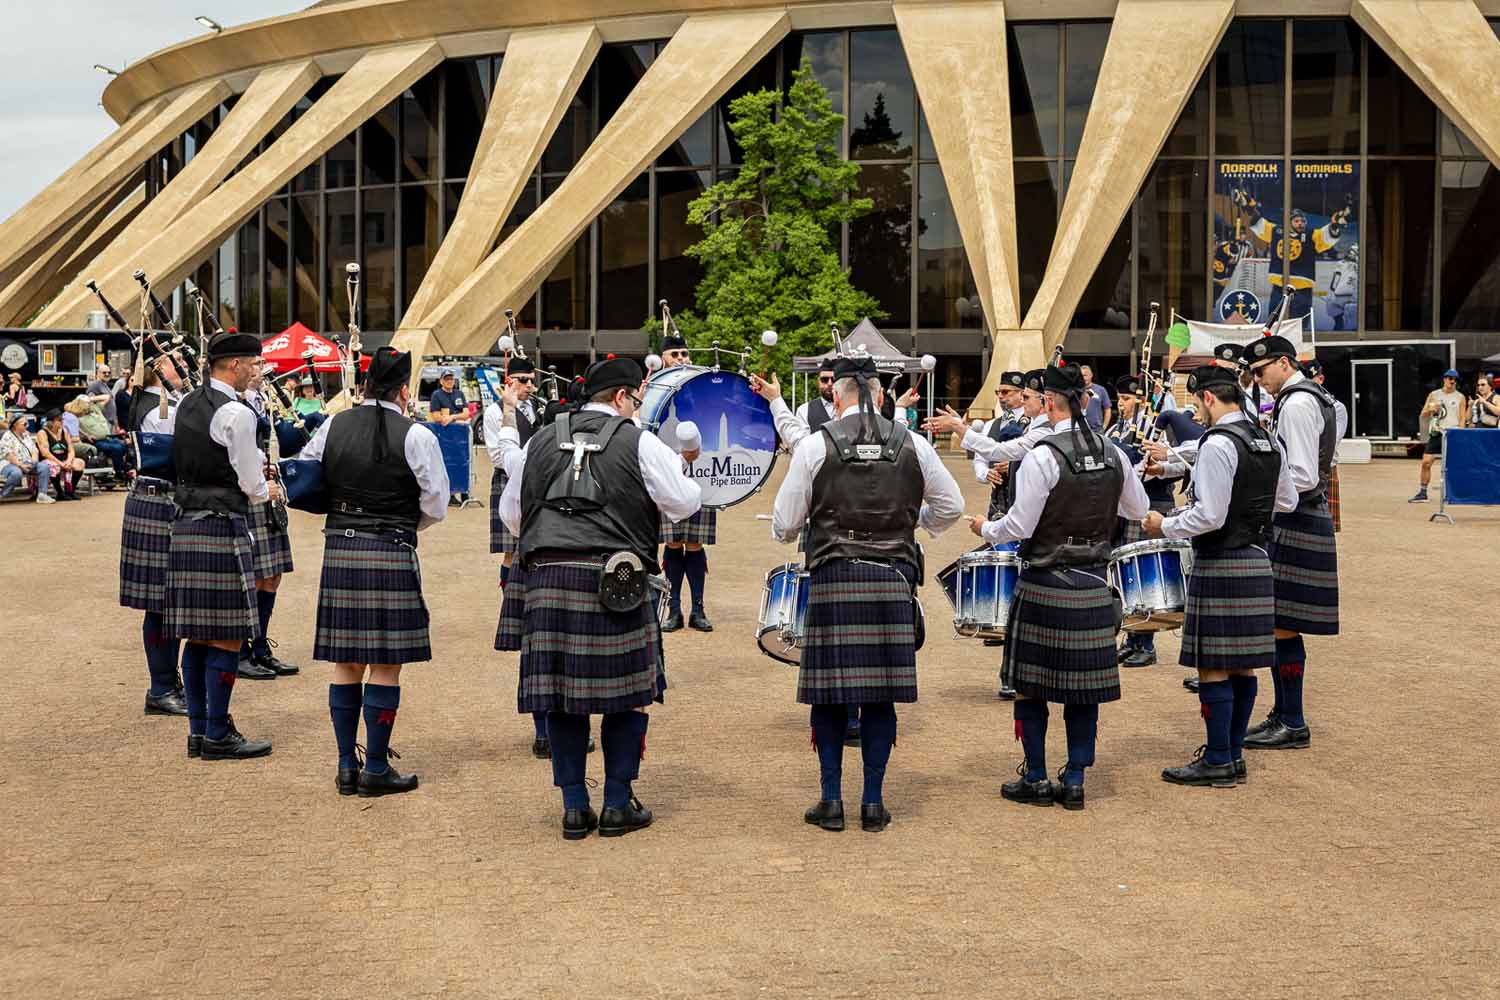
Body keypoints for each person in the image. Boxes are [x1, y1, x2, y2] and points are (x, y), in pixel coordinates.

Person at [499, 356, 702, 839]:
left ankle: (574, 807)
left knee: (561, 698)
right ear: (621, 397)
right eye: (637, 399)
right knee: (627, 697)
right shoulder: (639, 441)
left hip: (549, 580)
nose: (637, 408)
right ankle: (616, 803)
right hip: (617, 581)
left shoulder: (540, 440)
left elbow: (513, 515)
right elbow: (684, 503)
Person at [771, 355, 963, 834]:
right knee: (881, 697)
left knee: (829, 698)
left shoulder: (816, 445)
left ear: (836, 397)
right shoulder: (913, 443)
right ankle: (873, 802)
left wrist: (801, 528)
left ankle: (831, 801)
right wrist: (912, 524)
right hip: (893, 576)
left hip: (835, 575)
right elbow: (952, 506)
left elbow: (785, 523)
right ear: (880, 395)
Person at [971, 363, 1151, 811]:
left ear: (1049, 402)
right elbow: (1138, 508)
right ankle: (1074, 778)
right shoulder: (1114, 453)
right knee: (1083, 690)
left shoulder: (1043, 455)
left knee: (1030, 686)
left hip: (1045, 579)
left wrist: (986, 529)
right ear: (1086, 402)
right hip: (1092, 581)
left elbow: (1020, 524)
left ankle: (1035, 776)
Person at [299, 346, 449, 798]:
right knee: (385, 663)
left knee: (346, 662)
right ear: (404, 390)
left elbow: (306, 473)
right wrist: (403, 525)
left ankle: (347, 765)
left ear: (365, 386)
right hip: (391, 547)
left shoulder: (333, 425)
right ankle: (377, 769)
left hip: (341, 548)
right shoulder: (417, 435)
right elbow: (436, 504)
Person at [1143, 365, 1297, 787]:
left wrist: (1164, 524)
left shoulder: (1217, 443)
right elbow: (1287, 500)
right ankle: (1232, 756)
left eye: (1197, 404)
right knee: (1243, 666)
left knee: (1212, 664)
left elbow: (1209, 516)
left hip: (1220, 560)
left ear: (1208, 397)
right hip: (1256, 557)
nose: (1197, 413)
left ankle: (1217, 759)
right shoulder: (1268, 438)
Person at [165, 331, 277, 762]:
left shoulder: (187, 403)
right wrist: (269, 490)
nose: (257, 370)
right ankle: (217, 733)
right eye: (254, 362)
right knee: (228, 636)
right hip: (222, 525)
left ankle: (198, 732)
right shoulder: (237, 412)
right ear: (234, 365)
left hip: (186, 524)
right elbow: (250, 484)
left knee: (197, 637)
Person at [926, 369, 1054, 700]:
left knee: (1028, 605)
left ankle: (1026, 674)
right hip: (1012, 514)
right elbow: (991, 454)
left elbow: (1005, 451)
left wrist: (960, 429)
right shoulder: (1030, 427)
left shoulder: (1045, 432)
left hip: (1034, 527)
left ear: (1045, 400)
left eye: (1024, 395)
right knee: (1016, 600)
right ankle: (1015, 672)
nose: (1017, 399)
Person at [1241, 335, 1341, 750]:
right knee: (1280, 622)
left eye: (1261, 370)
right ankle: (1285, 714)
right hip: (1302, 515)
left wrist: (1256, 486)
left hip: (1296, 515)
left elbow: (1301, 475)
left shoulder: (1298, 404)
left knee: (1282, 623)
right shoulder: (1309, 397)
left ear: (1284, 362)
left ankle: (1292, 720)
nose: (1258, 379)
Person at [483, 355, 554, 757]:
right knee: (511, 551)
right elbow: (499, 456)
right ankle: (512, 598)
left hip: (533, 480)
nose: (529, 385)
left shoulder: (537, 410)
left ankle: (519, 601)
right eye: (522, 380)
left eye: (531, 380)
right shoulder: (496, 413)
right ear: (509, 381)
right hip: (512, 479)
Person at [120, 346, 189, 717]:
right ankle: (161, 687)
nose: (183, 364)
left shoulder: (161, 402)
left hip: (160, 501)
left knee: (168, 600)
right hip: (159, 501)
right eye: (175, 359)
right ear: (157, 366)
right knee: (162, 601)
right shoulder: (159, 409)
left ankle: (167, 683)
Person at [1108, 373, 1183, 668]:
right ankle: (1132, 637)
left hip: (1154, 504)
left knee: (1146, 574)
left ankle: (1147, 643)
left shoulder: (1157, 430)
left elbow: (1177, 466)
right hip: (1127, 508)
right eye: (1119, 398)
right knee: (1127, 574)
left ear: (1142, 401)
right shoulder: (1117, 429)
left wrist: (1153, 470)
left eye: (1127, 399)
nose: (1121, 404)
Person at [232, 369, 298, 681]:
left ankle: (260, 647)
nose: (261, 369)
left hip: (269, 489)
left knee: (272, 575)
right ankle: (241, 651)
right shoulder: (230, 403)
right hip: (248, 494)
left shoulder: (264, 400)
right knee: (255, 576)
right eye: (255, 363)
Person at [655, 334, 716, 633]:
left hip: (701, 475)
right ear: (663, 358)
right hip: (668, 476)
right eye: (674, 354)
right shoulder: (653, 389)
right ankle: (674, 610)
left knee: (695, 542)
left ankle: (698, 610)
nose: (681, 358)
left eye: (684, 353)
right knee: (672, 543)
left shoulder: (699, 387)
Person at [1302, 359, 1348, 531]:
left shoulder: (1336, 407)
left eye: (1311, 380)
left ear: (1320, 379)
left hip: (1324, 468)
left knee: (1325, 526)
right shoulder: (1295, 403)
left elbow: (1330, 442)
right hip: (1303, 466)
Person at [1411, 370, 1467, 502]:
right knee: (1426, 462)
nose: (1452, 381)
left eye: (1455, 379)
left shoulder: (1460, 397)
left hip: (1452, 433)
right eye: (1450, 378)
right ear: (1444, 379)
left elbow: (1462, 418)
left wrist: (1461, 433)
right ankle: (1423, 493)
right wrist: (1431, 409)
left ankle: (1453, 494)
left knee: (1453, 465)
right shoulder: (1434, 395)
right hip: (1437, 432)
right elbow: (1423, 414)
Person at [428, 367, 472, 506]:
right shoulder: (436, 395)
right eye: (446, 379)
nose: (449, 381)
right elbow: (436, 416)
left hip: (461, 436)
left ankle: (465, 492)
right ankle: (450, 494)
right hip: (446, 436)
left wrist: (452, 417)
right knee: (449, 463)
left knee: (464, 462)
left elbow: (466, 413)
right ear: (441, 381)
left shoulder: (459, 394)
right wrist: (448, 418)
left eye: (451, 379)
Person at [75, 395, 129, 478]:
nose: (89, 405)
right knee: (117, 448)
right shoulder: (77, 416)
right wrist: (86, 435)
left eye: (89, 403)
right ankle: (119, 472)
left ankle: (123, 469)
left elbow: (107, 397)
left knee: (125, 445)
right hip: (95, 442)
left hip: (108, 438)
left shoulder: (95, 409)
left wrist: (91, 399)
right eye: (86, 403)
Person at [35, 410, 83, 500]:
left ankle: (70, 491)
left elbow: (71, 450)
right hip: (50, 459)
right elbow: (45, 453)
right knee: (54, 466)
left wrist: (69, 461)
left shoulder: (64, 431)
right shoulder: (42, 433)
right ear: (51, 422)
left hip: (64, 458)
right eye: (59, 420)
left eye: (62, 419)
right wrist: (60, 463)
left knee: (80, 463)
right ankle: (60, 492)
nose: (62, 422)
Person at [1, 412, 50, 501]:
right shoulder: (7, 436)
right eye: (24, 424)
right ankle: (2, 494)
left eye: (27, 423)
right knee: (16, 473)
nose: (27, 426)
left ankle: (42, 494)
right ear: (15, 425)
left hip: (27, 462)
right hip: (10, 464)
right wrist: (21, 465)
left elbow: (34, 450)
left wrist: (33, 462)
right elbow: (8, 455)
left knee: (44, 467)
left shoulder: (26, 435)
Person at [796, 363, 838, 431]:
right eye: (825, 379)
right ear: (818, 382)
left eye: (834, 379)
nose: (830, 384)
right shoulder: (804, 410)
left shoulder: (850, 408)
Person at [1080, 365, 1112, 431]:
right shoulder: (1076, 390)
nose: (1083, 378)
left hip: (1097, 430)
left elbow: (1107, 409)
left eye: (1085, 375)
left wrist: (1104, 427)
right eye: (1081, 376)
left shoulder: (1101, 390)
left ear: (1091, 375)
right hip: (1080, 430)